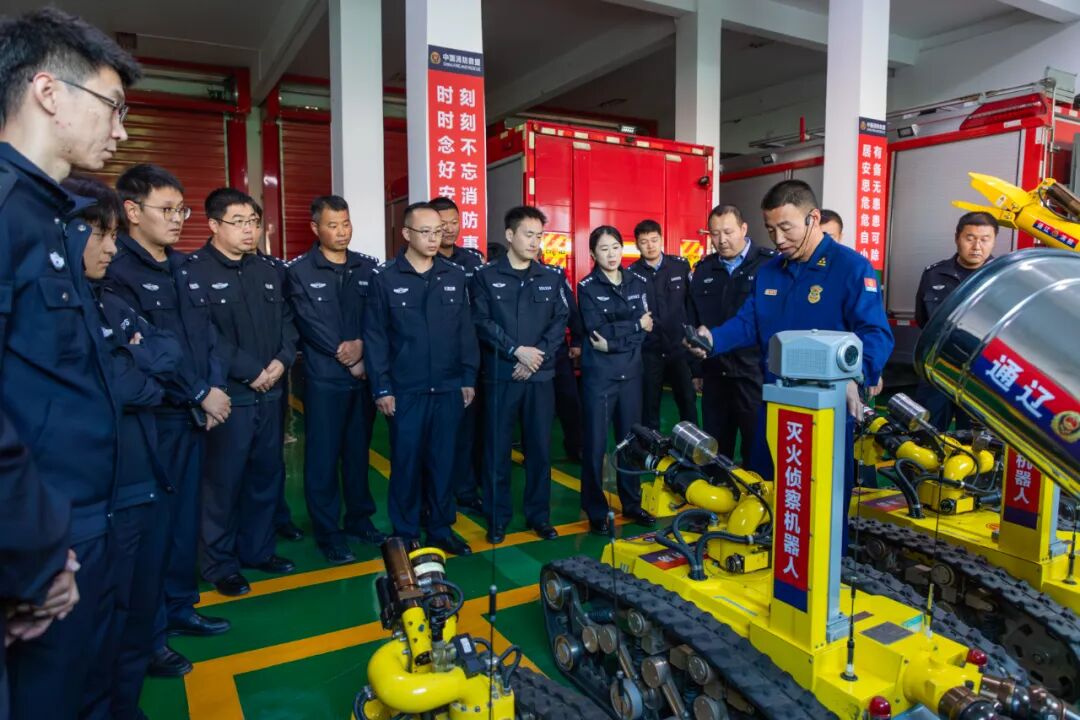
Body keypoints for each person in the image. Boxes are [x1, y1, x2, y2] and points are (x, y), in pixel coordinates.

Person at [0, 8, 139, 718]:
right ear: (49, 92)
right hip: (44, 545)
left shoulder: (51, 220)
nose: (121, 131)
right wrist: (35, 556)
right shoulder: (7, 213)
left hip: (83, 524)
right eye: (113, 106)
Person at [689, 180, 893, 547]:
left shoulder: (850, 267)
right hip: (775, 406)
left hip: (827, 412)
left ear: (813, 218)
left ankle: (829, 565)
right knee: (767, 490)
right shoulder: (770, 271)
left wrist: (857, 376)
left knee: (823, 502)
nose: (778, 239)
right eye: (771, 229)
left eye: (786, 227)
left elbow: (875, 333)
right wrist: (713, 339)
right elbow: (749, 322)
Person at [108, 163, 231, 679]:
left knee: (183, 523)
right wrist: (200, 392)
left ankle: (181, 607)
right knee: (152, 532)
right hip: (155, 420)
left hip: (194, 417)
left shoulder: (185, 267)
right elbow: (144, 357)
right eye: (167, 209)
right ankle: (150, 637)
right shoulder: (117, 272)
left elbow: (207, 338)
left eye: (182, 209)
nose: (179, 219)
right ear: (132, 211)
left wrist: (213, 387)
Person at [66, 175, 180, 719]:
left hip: (141, 483)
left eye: (113, 235)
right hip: (95, 499)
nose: (111, 248)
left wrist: (133, 363)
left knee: (134, 617)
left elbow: (167, 352)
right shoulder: (60, 312)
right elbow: (124, 384)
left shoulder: (108, 299)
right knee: (95, 627)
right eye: (101, 234)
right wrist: (137, 368)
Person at [186, 188, 298, 597]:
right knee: (222, 483)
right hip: (230, 397)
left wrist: (282, 360)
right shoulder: (193, 272)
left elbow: (288, 321)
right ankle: (219, 563)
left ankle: (258, 550)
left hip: (271, 392)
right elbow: (204, 335)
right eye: (239, 222)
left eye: (253, 221)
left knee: (266, 475)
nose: (249, 230)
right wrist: (251, 370)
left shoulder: (268, 269)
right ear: (213, 225)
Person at [364, 202, 479, 556]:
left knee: (443, 462)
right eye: (425, 232)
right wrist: (382, 386)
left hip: (448, 386)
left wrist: (468, 376)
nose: (434, 238)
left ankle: (441, 528)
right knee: (407, 463)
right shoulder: (385, 278)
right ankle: (405, 532)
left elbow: (465, 331)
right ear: (406, 234)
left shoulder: (454, 275)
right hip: (406, 389)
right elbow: (375, 337)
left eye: (438, 231)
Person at [286, 195, 385, 565]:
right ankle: (328, 532)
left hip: (362, 379)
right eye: (333, 225)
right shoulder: (299, 271)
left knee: (358, 454)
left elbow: (377, 316)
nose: (342, 232)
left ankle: (359, 520)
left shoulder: (368, 267)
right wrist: (347, 355)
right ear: (316, 228)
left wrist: (363, 349)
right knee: (323, 458)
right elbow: (309, 323)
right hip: (324, 380)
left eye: (346, 223)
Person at [472, 206, 568, 543]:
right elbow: (482, 322)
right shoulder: (485, 276)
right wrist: (515, 351)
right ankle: (497, 518)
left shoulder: (552, 276)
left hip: (539, 377)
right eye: (529, 235)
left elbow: (559, 321)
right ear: (510, 235)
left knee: (539, 450)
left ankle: (539, 516)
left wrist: (534, 357)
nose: (535, 242)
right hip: (501, 376)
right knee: (496, 451)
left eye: (539, 236)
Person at [577, 226, 657, 534]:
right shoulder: (587, 287)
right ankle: (596, 509)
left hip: (631, 373)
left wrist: (614, 342)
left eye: (615, 247)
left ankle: (632, 503)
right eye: (603, 249)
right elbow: (596, 330)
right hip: (601, 377)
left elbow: (646, 329)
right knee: (595, 445)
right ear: (593, 254)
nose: (611, 255)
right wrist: (634, 326)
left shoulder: (637, 282)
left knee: (630, 442)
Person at [688, 205, 775, 462]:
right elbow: (695, 320)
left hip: (754, 375)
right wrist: (697, 369)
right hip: (715, 374)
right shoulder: (703, 269)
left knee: (757, 448)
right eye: (715, 234)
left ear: (743, 229)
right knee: (715, 449)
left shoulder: (768, 266)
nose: (722, 240)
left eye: (728, 232)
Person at [913, 211, 998, 430]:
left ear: (994, 241)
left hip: (981, 374)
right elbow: (923, 319)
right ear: (957, 238)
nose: (977, 246)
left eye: (985, 239)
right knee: (927, 433)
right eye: (970, 238)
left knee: (978, 439)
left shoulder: (1002, 278)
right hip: (938, 368)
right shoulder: (934, 274)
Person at [430, 196, 485, 512]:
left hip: (469, 357)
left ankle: (465, 489)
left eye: (454, 221)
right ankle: (435, 494)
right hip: (436, 360)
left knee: (467, 430)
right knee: (435, 433)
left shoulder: (473, 260)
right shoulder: (424, 261)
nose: (450, 229)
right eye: (442, 224)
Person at [628, 219, 697, 431]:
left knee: (687, 401)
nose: (650, 245)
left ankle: (691, 444)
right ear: (637, 245)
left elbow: (691, 303)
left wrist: (692, 337)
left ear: (661, 240)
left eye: (654, 240)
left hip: (679, 346)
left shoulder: (680, 265)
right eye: (644, 242)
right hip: (649, 350)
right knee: (649, 405)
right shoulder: (630, 274)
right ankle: (651, 446)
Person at [553, 273, 584, 461]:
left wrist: (577, 341)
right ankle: (531, 451)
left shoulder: (555, 276)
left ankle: (576, 448)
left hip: (558, 352)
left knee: (570, 402)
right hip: (526, 355)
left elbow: (571, 308)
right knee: (533, 409)